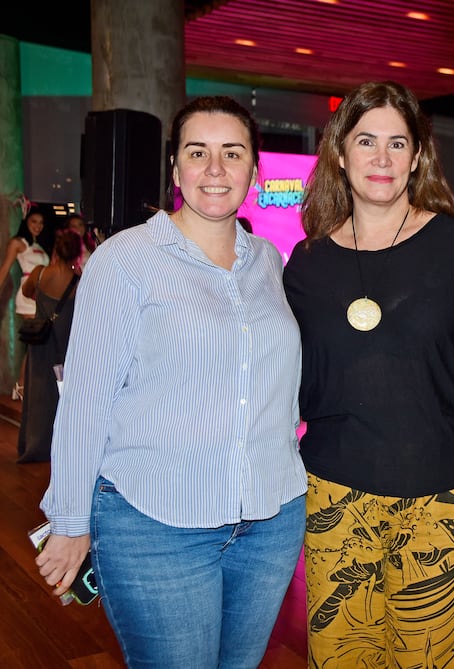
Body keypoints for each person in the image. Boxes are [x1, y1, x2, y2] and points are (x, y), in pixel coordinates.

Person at [35, 96, 307, 668]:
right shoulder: (124, 261)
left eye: (232, 154)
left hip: (269, 523)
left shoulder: (270, 264)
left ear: (255, 171)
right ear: (175, 169)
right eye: (197, 152)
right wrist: (69, 522)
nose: (215, 169)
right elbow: (86, 402)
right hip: (155, 526)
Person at [283, 81, 454, 667]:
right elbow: (283, 379)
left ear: (418, 156)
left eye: (397, 143)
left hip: (443, 498)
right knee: (344, 657)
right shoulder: (306, 265)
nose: (382, 158)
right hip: (335, 496)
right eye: (367, 141)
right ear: (340, 153)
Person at [17, 230, 81, 463]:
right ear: (77, 254)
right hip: (66, 346)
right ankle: (62, 447)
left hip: (41, 344)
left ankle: (33, 446)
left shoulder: (40, 273)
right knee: (63, 397)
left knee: (37, 394)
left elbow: (26, 292)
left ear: (55, 249)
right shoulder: (79, 281)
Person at [0, 207, 55, 400]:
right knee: (35, 342)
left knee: (38, 343)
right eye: (34, 222)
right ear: (26, 222)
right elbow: (5, 268)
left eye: (41, 223)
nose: (38, 226)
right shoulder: (18, 243)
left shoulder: (39, 245)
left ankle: (23, 385)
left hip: (42, 296)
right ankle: (22, 385)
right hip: (27, 295)